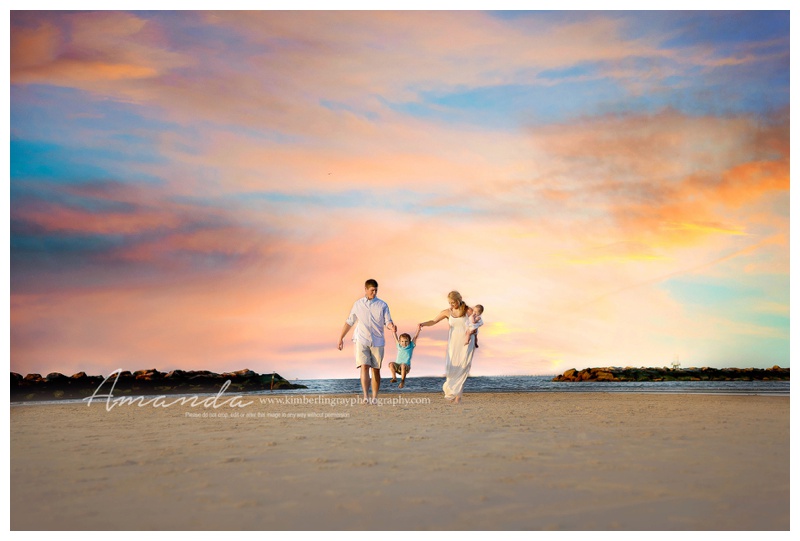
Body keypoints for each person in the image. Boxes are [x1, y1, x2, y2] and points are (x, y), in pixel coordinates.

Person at [338, 279, 396, 405]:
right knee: (364, 366)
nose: (374, 293)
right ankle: (365, 396)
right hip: (361, 339)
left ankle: (374, 397)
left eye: (376, 290)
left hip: (378, 341)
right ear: (366, 289)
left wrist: (392, 326)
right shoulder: (358, 304)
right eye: (372, 290)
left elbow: (388, 321)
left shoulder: (382, 305)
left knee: (375, 369)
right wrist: (341, 338)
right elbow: (349, 322)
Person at [419, 291, 476, 404]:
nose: (451, 305)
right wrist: (423, 324)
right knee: (452, 368)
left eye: (453, 302)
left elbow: (476, 325)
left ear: (459, 299)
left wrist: (475, 338)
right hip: (454, 343)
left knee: (463, 367)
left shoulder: (468, 311)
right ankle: (452, 393)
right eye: (450, 303)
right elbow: (433, 321)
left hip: (466, 342)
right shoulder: (447, 312)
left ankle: (458, 397)